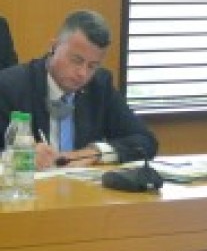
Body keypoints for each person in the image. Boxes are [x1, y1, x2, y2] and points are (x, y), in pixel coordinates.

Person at [0, 10, 158, 169]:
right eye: (76, 60)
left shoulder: (100, 85)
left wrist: (95, 152)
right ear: (53, 47)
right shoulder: (10, 86)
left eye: (92, 66)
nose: (83, 73)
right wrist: (16, 156)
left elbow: (145, 141)